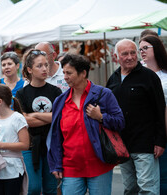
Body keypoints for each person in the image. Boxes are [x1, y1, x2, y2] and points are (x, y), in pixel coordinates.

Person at [46, 53, 124, 195]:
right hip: (70, 167)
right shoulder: (60, 100)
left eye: (69, 73)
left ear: (83, 73)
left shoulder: (104, 94)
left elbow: (120, 122)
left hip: (99, 164)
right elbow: (56, 135)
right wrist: (56, 164)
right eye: (63, 73)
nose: (65, 77)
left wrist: (101, 117)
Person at [106, 39, 166, 195]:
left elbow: (160, 109)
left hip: (146, 144)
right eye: (125, 53)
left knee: (148, 189)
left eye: (133, 52)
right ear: (116, 57)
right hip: (123, 146)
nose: (130, 57)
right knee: (130, 189)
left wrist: (160, 141)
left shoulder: (149, 77)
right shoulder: (113, 79)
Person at [16, 49, 62, 195]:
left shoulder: (55, 91)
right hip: (30, 145)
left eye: (46, 65)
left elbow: (59, 117)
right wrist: (50, 117)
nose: (44, 69)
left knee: (50, 188)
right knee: (33, 188)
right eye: (39, 66)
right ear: (29, 69)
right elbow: (24, 120)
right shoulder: (21, 93)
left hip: (51, 145)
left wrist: (34, 115)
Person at [0, 84, 30, 195]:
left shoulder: (17, 118)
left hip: (13, 169)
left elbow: (25, 144)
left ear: (0, 101)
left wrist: (1, 145)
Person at [139, 35, 167, 195]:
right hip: (148, 132)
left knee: (163, 177)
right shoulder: (139, 72)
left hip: (164, 128)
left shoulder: (165, 74)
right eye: (140, 49)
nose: (141, 51)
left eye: (145, 48)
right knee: (150, 179)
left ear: (156, 48)